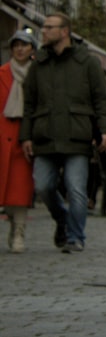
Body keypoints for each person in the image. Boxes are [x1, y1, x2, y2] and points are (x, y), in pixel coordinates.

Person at [19, 13, 106, 253]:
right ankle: (62, 219)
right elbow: (29, 103)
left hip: (76, 134)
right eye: (44, 26)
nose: (44, 31)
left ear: (64, 32)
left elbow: (101, 100)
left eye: (49, 27)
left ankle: (75, 236)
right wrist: (26, 136)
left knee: (76, 189)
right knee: (43, 186)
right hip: (45, 134)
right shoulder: (38, 64)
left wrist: (105, 131)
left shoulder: (87, 62)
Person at [1, 30, 37, 253]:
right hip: (3, 136)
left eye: (24, 45)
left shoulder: (37, 75)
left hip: (26, 138)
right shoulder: (2, 73)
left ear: (32, 49)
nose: (20, 49)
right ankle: (12, 224)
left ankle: (18, 233)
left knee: (20, 189)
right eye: (16, 45)